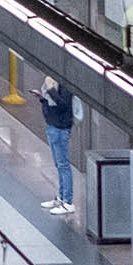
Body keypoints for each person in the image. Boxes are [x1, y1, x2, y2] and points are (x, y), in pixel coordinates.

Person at [37, 76, 78, 215]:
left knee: (63, 165)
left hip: (60, 128)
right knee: (58, 164)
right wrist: (42, 97)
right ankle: (61, 197)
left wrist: (50, 89)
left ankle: (67, 201)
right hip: (53, 126)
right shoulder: (56, 82)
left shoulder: (65, 84)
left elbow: (63, 105)